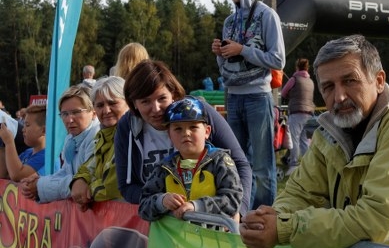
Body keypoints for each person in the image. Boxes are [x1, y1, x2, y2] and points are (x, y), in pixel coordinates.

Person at [239, 34, 389, 248]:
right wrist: (272, 218)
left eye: (350, 81)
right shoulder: (330, 129)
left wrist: (285, 228)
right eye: (329, 87)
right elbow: (301, 193)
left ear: (379, 81)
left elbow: (377, 220)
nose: (339, 97)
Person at [115, 59, 252, 216]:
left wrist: (239, 213)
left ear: (173, 94)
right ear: (134, 103)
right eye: (145, 102)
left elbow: (240, 164)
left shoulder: (199, 112)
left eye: (162, 98)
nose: (156, 109)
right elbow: (127, 186)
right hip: (164, 223)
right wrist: (161, 202)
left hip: (212, 219)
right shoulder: (127, 127)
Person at [211, 0, 286, 209]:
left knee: (263, 166)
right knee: (235, 162)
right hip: (233, 97)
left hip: (258, 97)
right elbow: (225, 68)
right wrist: (220, 54)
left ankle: (263, 216)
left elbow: (278, 59)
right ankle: (240, 212)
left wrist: (241, 49)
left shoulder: (266, 15)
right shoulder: (229, 21)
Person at [138, 96, 243, 222]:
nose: (186, 133)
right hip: (174, 235)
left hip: (211, 233)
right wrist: (162, 201)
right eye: (178, 129)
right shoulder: (164, 167)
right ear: (169, 135)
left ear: (207, 131)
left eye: (193, 127)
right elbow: (143, 207)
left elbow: (233, 199)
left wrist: (197, 206)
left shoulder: (220, 161)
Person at [20, 85, 100, 203]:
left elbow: (84, 182)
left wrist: (40, 186)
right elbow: (66, 173)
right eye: (64, 114)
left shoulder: (97, 137)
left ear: (93, 113)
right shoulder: (70, 139)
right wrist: (41, 181)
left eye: (76, 112)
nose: (69, 120)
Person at [70, 76, 129, 211]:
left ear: (128, 103)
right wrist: (79, 180)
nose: (106, 110)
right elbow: (89, 166)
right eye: (100, 105)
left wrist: (87, 192)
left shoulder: (131, 135)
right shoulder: (101, 136)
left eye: (113, 103)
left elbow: (114, 184)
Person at [280, 58, 315, 174]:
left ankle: (294, 164)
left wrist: (291, 95)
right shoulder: (310, 82)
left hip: (296, 113)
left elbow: (283, 93)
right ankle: (307, 165)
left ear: (297, 67)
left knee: (294, 139)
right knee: (304, 141)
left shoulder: (294, 79)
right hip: (309, 114)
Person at [0, 104, 47, 181]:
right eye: (24, 125)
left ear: (43, 130)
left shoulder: (46, 157)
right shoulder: (27, 152)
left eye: (27, 125)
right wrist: (2, 143)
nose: (23, 130)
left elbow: (17, 176)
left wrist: (9, 142)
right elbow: (5, 174)